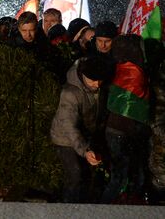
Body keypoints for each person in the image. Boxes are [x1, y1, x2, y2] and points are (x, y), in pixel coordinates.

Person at [50, 56, 111, 203]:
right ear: (83, 76)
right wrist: (85, 150)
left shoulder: (100, 88)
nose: (96, 84)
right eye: (92, 81)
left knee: (88, 176)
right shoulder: (70, 93)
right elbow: (69, 126)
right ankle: (68, 207)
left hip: (85, 134)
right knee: (75, 174)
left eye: (99, 80)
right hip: (65, 138)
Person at [101, 34, 151, 203]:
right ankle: (105, 209)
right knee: (122, 176)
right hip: (125, 131)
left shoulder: (119, 68)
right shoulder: (134, 73)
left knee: (121, 175)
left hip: (115, 130)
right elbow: (135, 105)